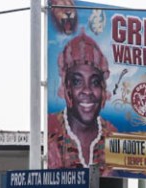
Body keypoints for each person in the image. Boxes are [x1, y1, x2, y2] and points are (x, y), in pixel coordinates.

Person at [48, 30, 117, 174]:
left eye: (95, 82)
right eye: (77, 82)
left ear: (103, 89)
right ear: (67, 88)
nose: (87, 91)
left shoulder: (112, 135)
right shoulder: (51, 130)